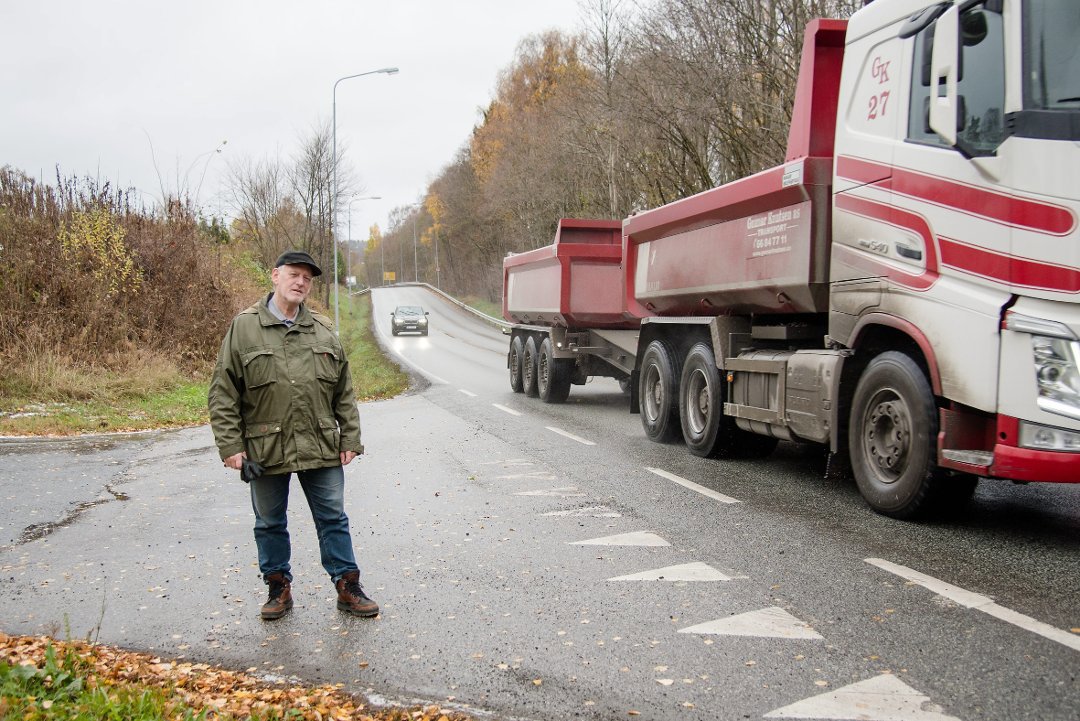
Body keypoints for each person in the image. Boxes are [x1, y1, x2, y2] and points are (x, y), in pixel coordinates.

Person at [208, 249, 378, 620]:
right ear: (275, 276)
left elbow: (343, 391)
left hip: (319, 443)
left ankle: (347, 585)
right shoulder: (244, 327)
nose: (301, 282)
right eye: (294, 274)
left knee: (333, 518)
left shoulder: (321, 329)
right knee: (269, 522)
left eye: (307, 277)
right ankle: (277, 589)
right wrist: (231, 445)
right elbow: (223, 391)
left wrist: (350, 437)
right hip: (265, 448)